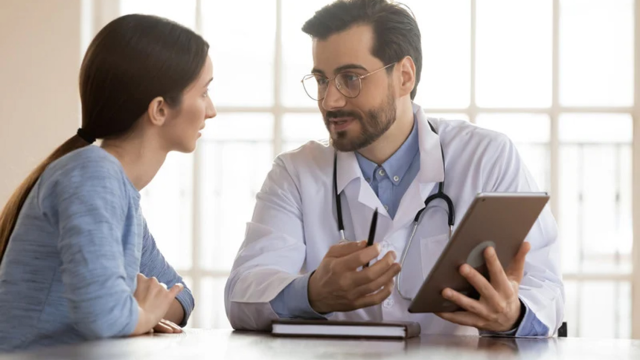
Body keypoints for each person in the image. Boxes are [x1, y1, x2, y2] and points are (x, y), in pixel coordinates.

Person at [225, 0, 563, 337]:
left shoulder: (486, 157)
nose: (330, 101)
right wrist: (313, 293)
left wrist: (512, 315)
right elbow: (243, 295)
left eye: (350, 78)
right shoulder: (295, 173)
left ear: (404, 76)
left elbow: (545, 286)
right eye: (321, 80)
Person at [0, 14, 216, 351]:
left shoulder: (119, 192)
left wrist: (138, 312)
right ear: (159, 109)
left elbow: (181, 295)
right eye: (203, 93)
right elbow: (104, 317)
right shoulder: (91, 174)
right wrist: (138, 314)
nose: (211, 110)